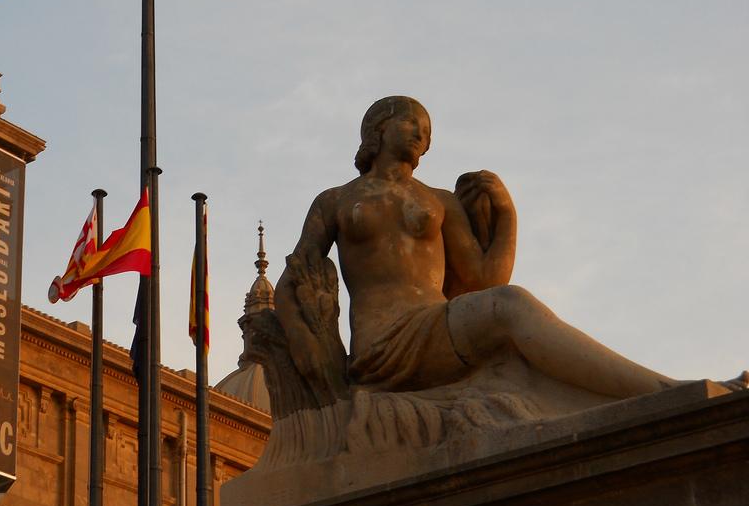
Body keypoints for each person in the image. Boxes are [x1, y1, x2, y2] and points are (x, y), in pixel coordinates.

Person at [275, 96, 678, 402]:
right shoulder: (336, 200)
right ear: (378, 128)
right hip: (379, 345)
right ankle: (662, 391)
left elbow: (485, 279)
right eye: (411, 123)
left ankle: (656, 391)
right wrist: (315, 360)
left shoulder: (440, 201)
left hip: (434, 326)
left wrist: (505, 211)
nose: (422, 136)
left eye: (428, 132)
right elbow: (296, 278)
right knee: (511, 306)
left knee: (511, 306)